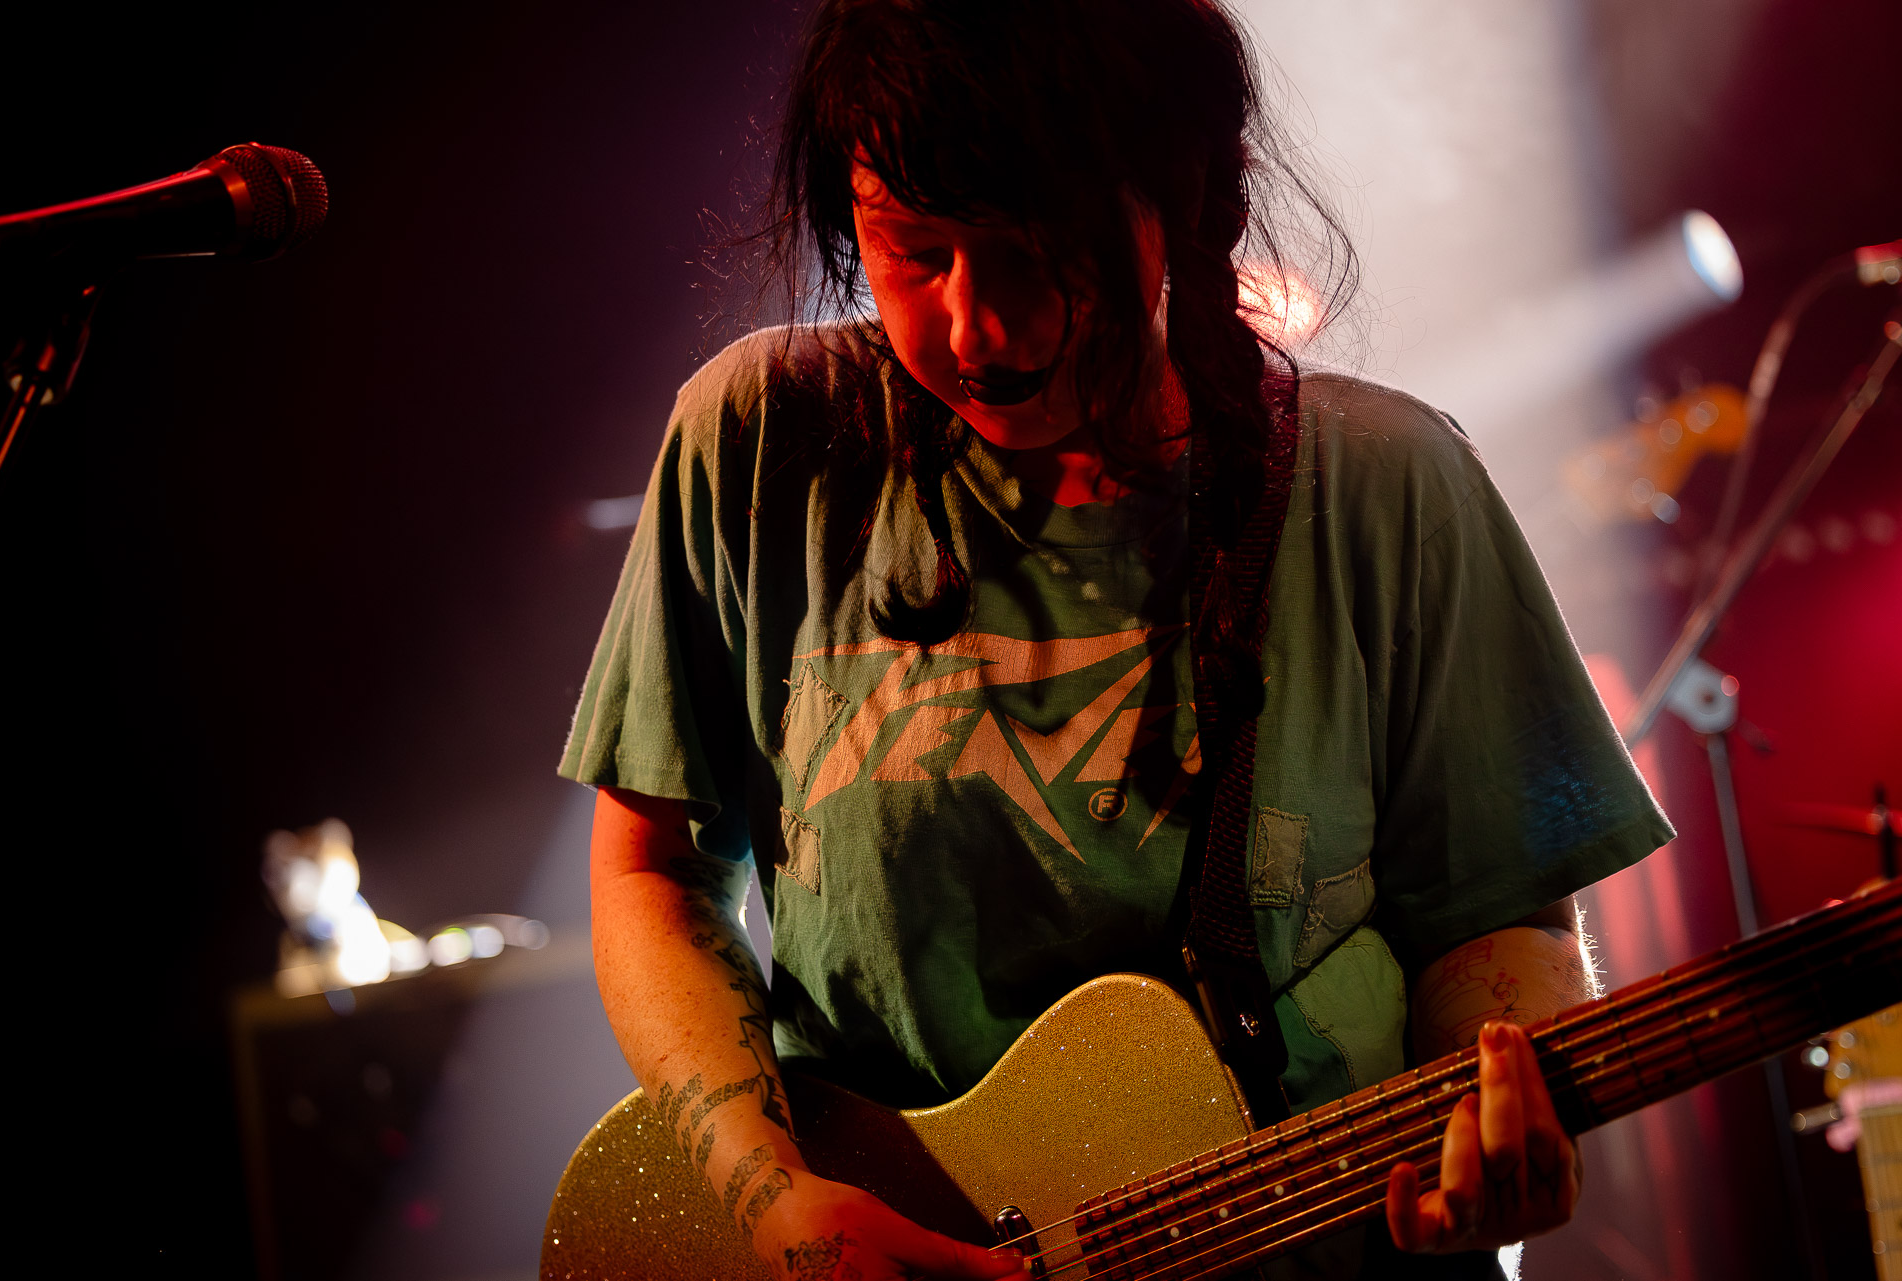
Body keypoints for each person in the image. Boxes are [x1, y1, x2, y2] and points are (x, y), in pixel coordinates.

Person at [560, 2, 1673, 1277]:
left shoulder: (1385, 481)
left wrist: (1490, 1123)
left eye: (1036, 251)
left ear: (1180, 197)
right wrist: (768, 1196)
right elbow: (653, 870)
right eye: (914, 253)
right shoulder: (763, 438)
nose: (977, 328)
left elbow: (1500, 916)